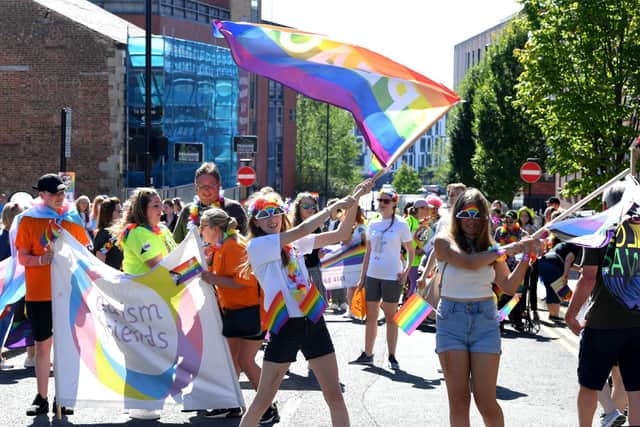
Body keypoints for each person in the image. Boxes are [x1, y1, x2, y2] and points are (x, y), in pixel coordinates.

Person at [239, 179, 372, 427]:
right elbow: (300, 231)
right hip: (285, 325)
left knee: (334, 394)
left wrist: (355, 199)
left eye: (275, 213)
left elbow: (342, 234)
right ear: (255, 222)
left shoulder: (293, 244)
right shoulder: (257, 246)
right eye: (263, 215)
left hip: (313, 320)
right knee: (263, 399)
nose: (271, 218)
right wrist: (332, 209)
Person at [433, 188, 535, 427]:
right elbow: (468, 263)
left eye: (477, 214)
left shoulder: (491, 248)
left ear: (485, 218)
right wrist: (507, 250)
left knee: (486, 400)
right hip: (451, 320)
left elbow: (509, 287)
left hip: (485, 321)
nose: (471, 219)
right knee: (458, 400)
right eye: (466, 213)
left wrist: (526, 257)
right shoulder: (442, 242)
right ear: (457, 215)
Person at [14, 174, 91, 416]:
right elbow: (22, 256)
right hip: (39, 293)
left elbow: (86, 253)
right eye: (55, 193)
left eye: (62, 192)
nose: (60, 197)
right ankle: (42, 397)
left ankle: (64, 396)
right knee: (43, 344)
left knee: (67, 345)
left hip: (68, 292)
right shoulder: (27, 220)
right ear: (42, 195)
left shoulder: (71, 218)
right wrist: (41, 259)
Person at [564, 181, 640, 427]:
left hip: (602, 322)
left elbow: (588, 278)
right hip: (637, 323)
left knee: (589, 384)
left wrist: (571, 314)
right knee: (636, 389)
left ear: (606, 205)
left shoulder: (602, 231)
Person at [199, 208, 278, 424]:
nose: (200, 230)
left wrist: (213, 279)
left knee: (245, 360)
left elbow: (244, 283)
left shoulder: (234, 246)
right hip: (236, 311)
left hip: (252, 311)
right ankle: (230, 402)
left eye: (203, 226)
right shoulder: (224, 245)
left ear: (215, 228)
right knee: (231, 359)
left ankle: (269, 407)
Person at [113, 187, 176, 419]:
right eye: (155, 206)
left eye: (161, 205)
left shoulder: (163, 231)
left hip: (162, 302)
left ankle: (149, 400)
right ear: (142, 210)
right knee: (142, 353)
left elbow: (176, 259)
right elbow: (157, 266)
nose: (161, 210)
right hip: (142, 304)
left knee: (157, 352)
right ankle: (140, 404)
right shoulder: (137, 233)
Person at [351, 187, 414, 370]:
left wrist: (406, 271)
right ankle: (368, 353)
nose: (382, 204)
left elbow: (410, 251)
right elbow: (368, 253)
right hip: (373, 275)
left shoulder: (401, 224)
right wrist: (362, 278)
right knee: (371, 316)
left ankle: (392, 356)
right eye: (380, 200)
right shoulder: (373, 224)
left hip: (392, 276)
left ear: (394, 203)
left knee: (391, 317)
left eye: (386, 201)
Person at [173, 162, 247, 243]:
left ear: (218, 185)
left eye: (210, 186)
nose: (206, 190)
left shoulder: (233, 208)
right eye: (202, 186)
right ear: (196, 188)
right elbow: (177, 243)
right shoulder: (187, 211)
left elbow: (242, 243)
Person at [291, 192, 327, 301]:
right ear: (298, 207)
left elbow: (319, 248)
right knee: (301, 302)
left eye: (313, 206)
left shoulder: (316, 226)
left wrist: (320, 252)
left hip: (314, 269)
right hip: (297, 272)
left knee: (318, 303)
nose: (310, 209)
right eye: (306, 206)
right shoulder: (292, 226)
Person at [92, 197, 123, 270]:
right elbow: (101, 255)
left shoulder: (118, 231)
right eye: (119, 211)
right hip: (111, 276)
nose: (121, 214)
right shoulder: (104, 233)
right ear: (109, 213)